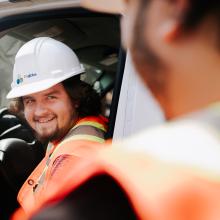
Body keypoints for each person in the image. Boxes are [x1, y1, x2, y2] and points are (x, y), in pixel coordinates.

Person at [12, 0, 220, 220]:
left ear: (175, 7)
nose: (39, 111)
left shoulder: (104, 191)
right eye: (29, 101)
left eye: (129, 8)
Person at [6, 37, 108, 215]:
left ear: (75, 98)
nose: (39, 112)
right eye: (30, 100)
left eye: (50, 97)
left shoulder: (73, 158)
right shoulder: (80, 128)